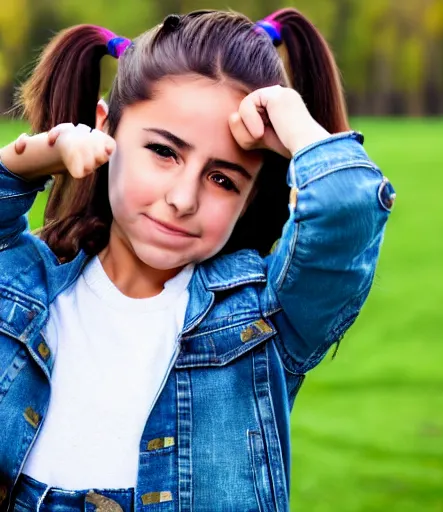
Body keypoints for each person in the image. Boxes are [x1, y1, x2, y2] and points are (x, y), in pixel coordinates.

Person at [0, 8, 395, 512]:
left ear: (251, 196)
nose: (184, 198)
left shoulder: (265, 320)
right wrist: (36, 156)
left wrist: (294, 123)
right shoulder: (23, 281)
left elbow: (349, 206)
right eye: (164, 151)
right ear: (106, 127)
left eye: (224, 179)